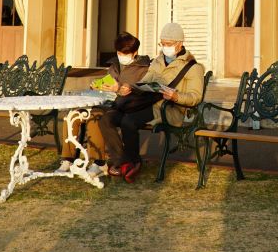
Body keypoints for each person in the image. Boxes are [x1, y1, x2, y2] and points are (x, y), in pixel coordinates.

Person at [111, 22, 205, 182]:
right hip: (151, 103)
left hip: (170, 109)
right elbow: (146, 80)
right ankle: (124, 159)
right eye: (162, 44)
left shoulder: (193, 67)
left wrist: (176, 96)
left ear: (179, 44)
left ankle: (132, 162)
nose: (165, 48)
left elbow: (195, 97)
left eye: (168, 44)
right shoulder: (158, 61)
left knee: (128, 121)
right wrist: (133, 87)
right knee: (111, 117)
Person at [57, 31, 150, 176]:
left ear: (135, 52)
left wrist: (118, 89)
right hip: (105, 101)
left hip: (122, 107)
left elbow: (139, 91)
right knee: (73, 115)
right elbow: (108, 81)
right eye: (119, 52)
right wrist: (98, 85)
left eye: (125, 53)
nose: (121, 56)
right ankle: (67, 159)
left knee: (96, 116)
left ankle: (98, 163)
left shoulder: (144, 68)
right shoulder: (114, 64)